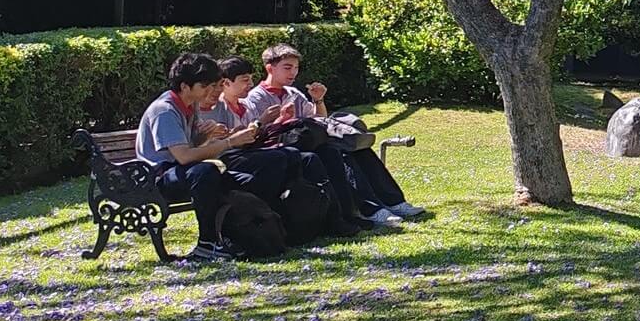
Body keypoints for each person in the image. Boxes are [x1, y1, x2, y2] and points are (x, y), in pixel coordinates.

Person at [246, 43, 424, 221]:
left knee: (358, 148)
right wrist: (280, 120)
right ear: (270, 67)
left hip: (308, 139)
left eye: (296, 68)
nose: (293, 73)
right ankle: (369, 208)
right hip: (285, 147)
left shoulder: (293, 92)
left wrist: (318, 100)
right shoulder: (256, 98)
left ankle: (393, 201)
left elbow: (320, 120)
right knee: (337, 152)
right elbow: (257, 134)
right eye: (287, 68)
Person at [207, 57, 368, 235]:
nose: (250, 84)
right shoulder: (219, 107)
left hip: (252, 151)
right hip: (232, 157)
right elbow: (230, 141)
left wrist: (278, 121)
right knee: (286, 156)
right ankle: (300, 223)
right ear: (226, 83)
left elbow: (257, 135)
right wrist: (259, 123)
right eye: (245, 80)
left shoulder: (246, 105)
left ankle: (337, 216)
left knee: (316, 156)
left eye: (251, 79)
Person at [135, 53, 265, 262]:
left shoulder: (189, 106)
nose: (211, 91)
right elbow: (184, 157)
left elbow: (187, 148)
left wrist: (204, 136)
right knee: (205, 172)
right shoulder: (165, 110)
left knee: (243, 178)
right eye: (205, 86)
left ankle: (247, 234)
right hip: (156, 177)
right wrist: (230, 142)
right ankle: (207, 242)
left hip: (177, 170)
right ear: (185, 86)